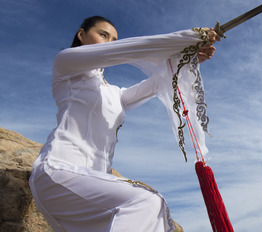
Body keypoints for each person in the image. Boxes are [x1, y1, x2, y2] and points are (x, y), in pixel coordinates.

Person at [29, 16, 220, 232]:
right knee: (147, 202)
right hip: (59, 173)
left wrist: (188, 57)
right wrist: (189, 37)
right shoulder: (65, 64)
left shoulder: (115, 94)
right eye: (103, 35)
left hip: (94, 185)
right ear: (81, 35)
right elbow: (127, 50)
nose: (110, 43)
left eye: (114, 39)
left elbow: (158, 82)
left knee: (156, 218)